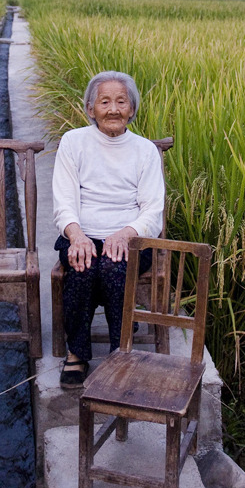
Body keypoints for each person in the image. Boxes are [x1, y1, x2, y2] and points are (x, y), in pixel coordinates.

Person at [52, 70, 164, 388]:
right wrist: (76, 235)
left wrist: (126, 233)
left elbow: (153, 209)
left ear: (132, 109)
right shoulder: (73, 142)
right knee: (82, 264)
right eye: (104, 101)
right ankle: (77, 353)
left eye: (120, 101)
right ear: (90, 109)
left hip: (130, 237)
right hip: (82, 233)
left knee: (115, 267)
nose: (113, 109)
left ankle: (121, 351)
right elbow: (63, 200)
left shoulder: (145, 150)